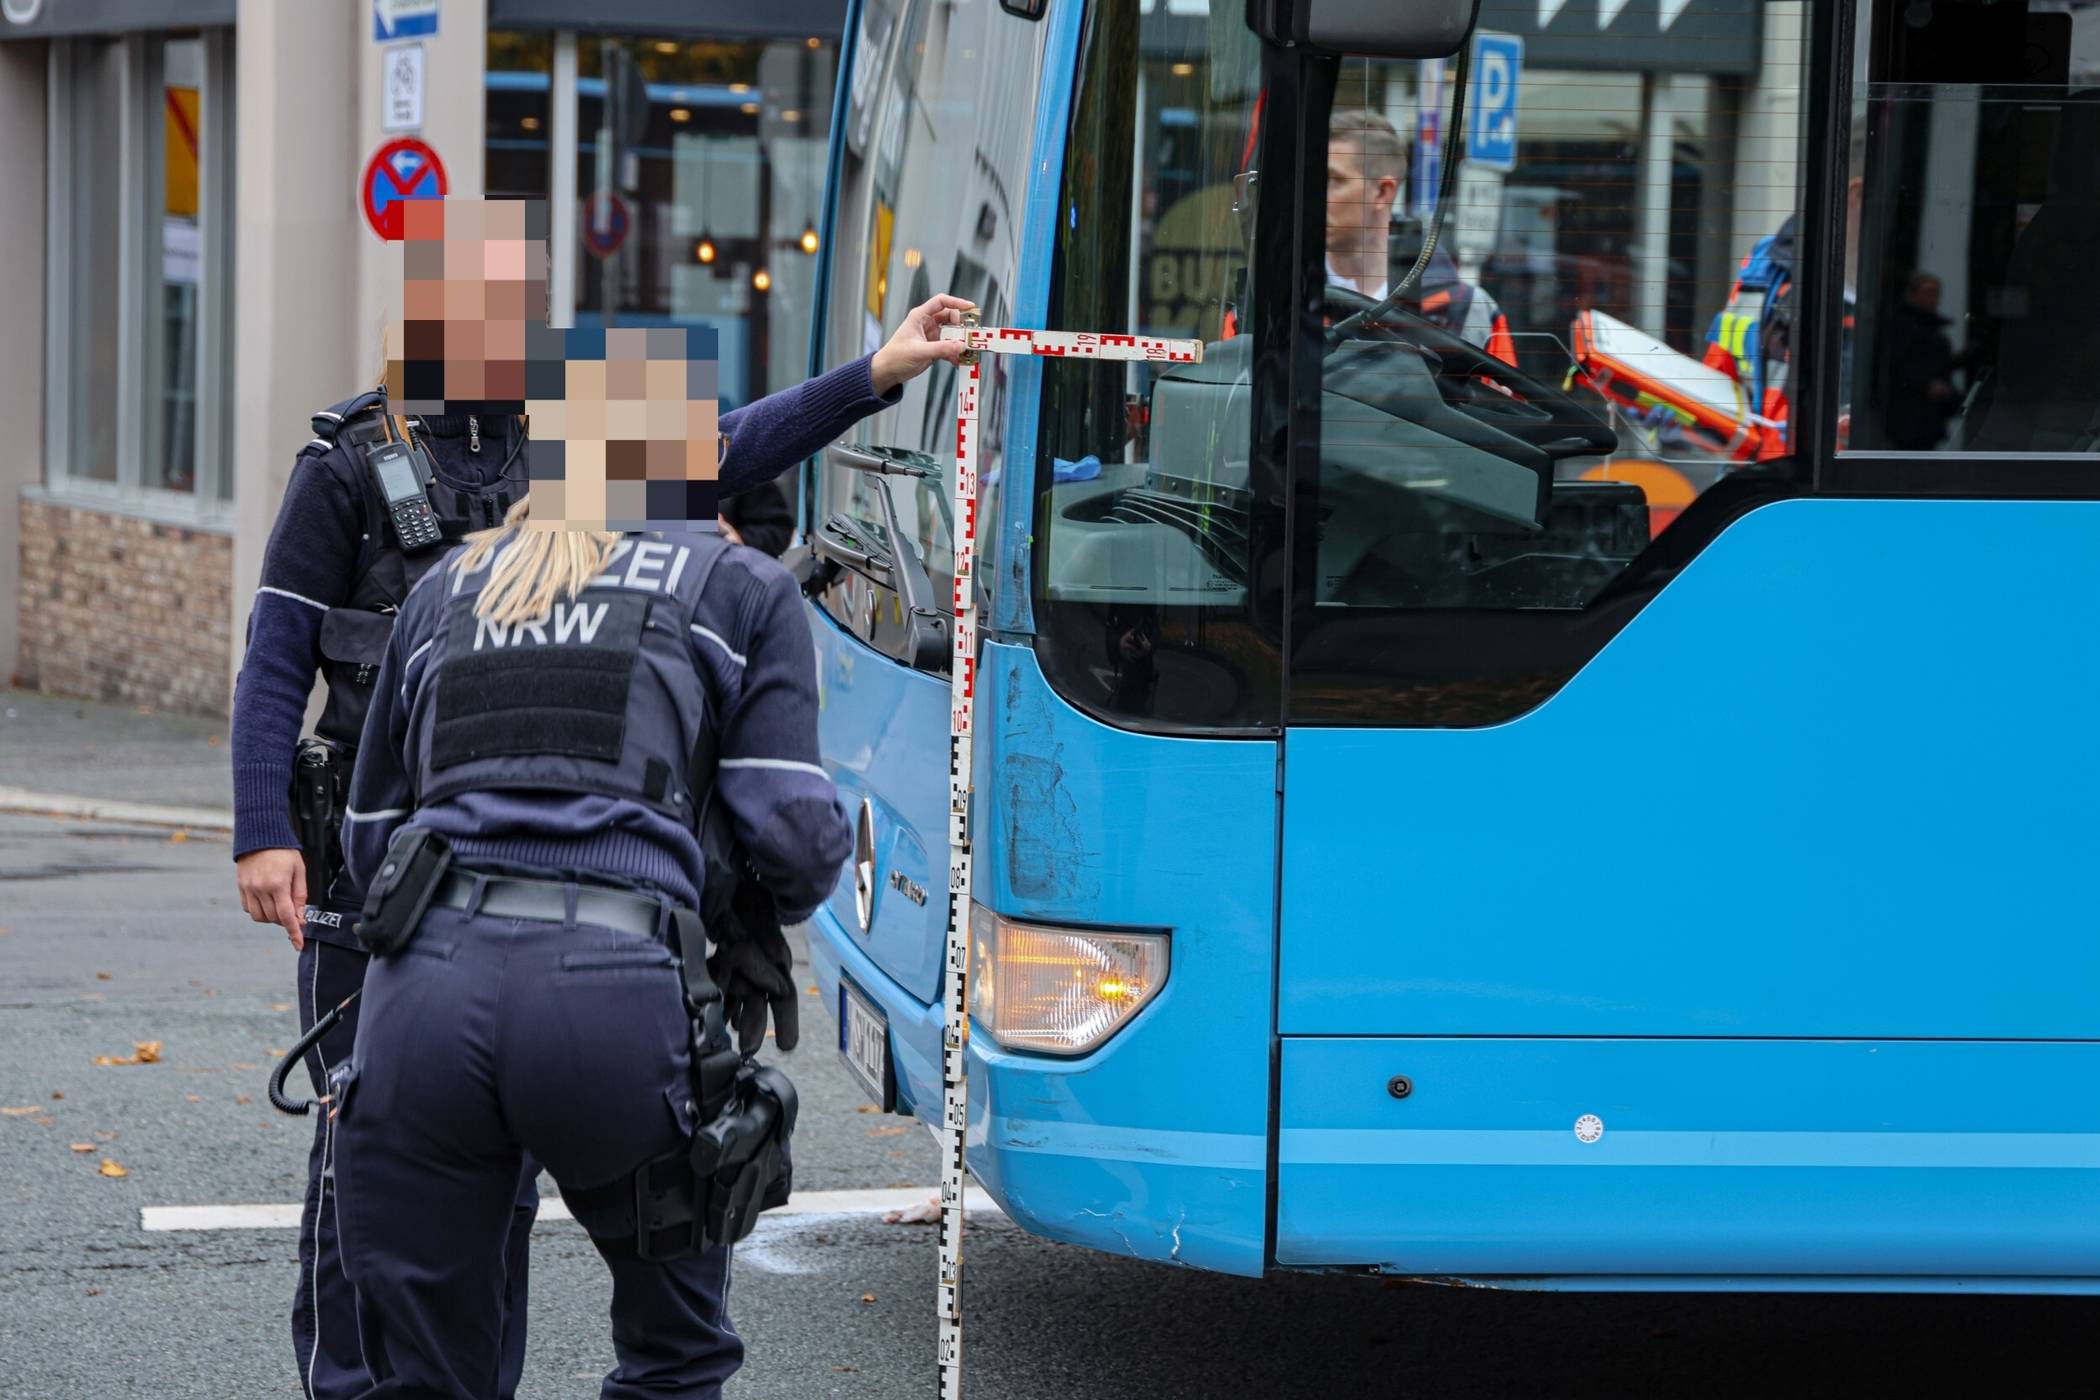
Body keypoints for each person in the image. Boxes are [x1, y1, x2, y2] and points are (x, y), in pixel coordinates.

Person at [229, 194, 972, 1399]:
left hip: (443, 891)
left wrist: (873, 373)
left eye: (517, 305)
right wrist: (262, 827)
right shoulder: (351, 464)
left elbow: (714, 447)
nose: (503, 325)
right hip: (394, 879)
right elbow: (276, 657)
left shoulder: (551, 441)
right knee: (362, 1187)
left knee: (478, 1186)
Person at [331, 492, 844, 1397]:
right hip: (614, 992)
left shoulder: (445, 586)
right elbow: (796, 842)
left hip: (424, 997)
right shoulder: (740, 588)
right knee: (673, 1359)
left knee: (425, 1374)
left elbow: (372, 839)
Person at [1325, 107, 1517, 364]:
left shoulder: (1467, 310)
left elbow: (1501, 404)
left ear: (1383, 192)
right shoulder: (1280, 294)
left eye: (1331, 180)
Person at [1878, 271, 1962, 450]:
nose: (1933, 298)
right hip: (1907, 413)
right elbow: (1896, 365)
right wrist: (1926, 385)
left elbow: (1938, 365)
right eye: (1927, 292)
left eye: (1936, 293)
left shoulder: (1930, 327)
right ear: (1913, 294)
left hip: (1927, 415)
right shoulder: (1902, 326)